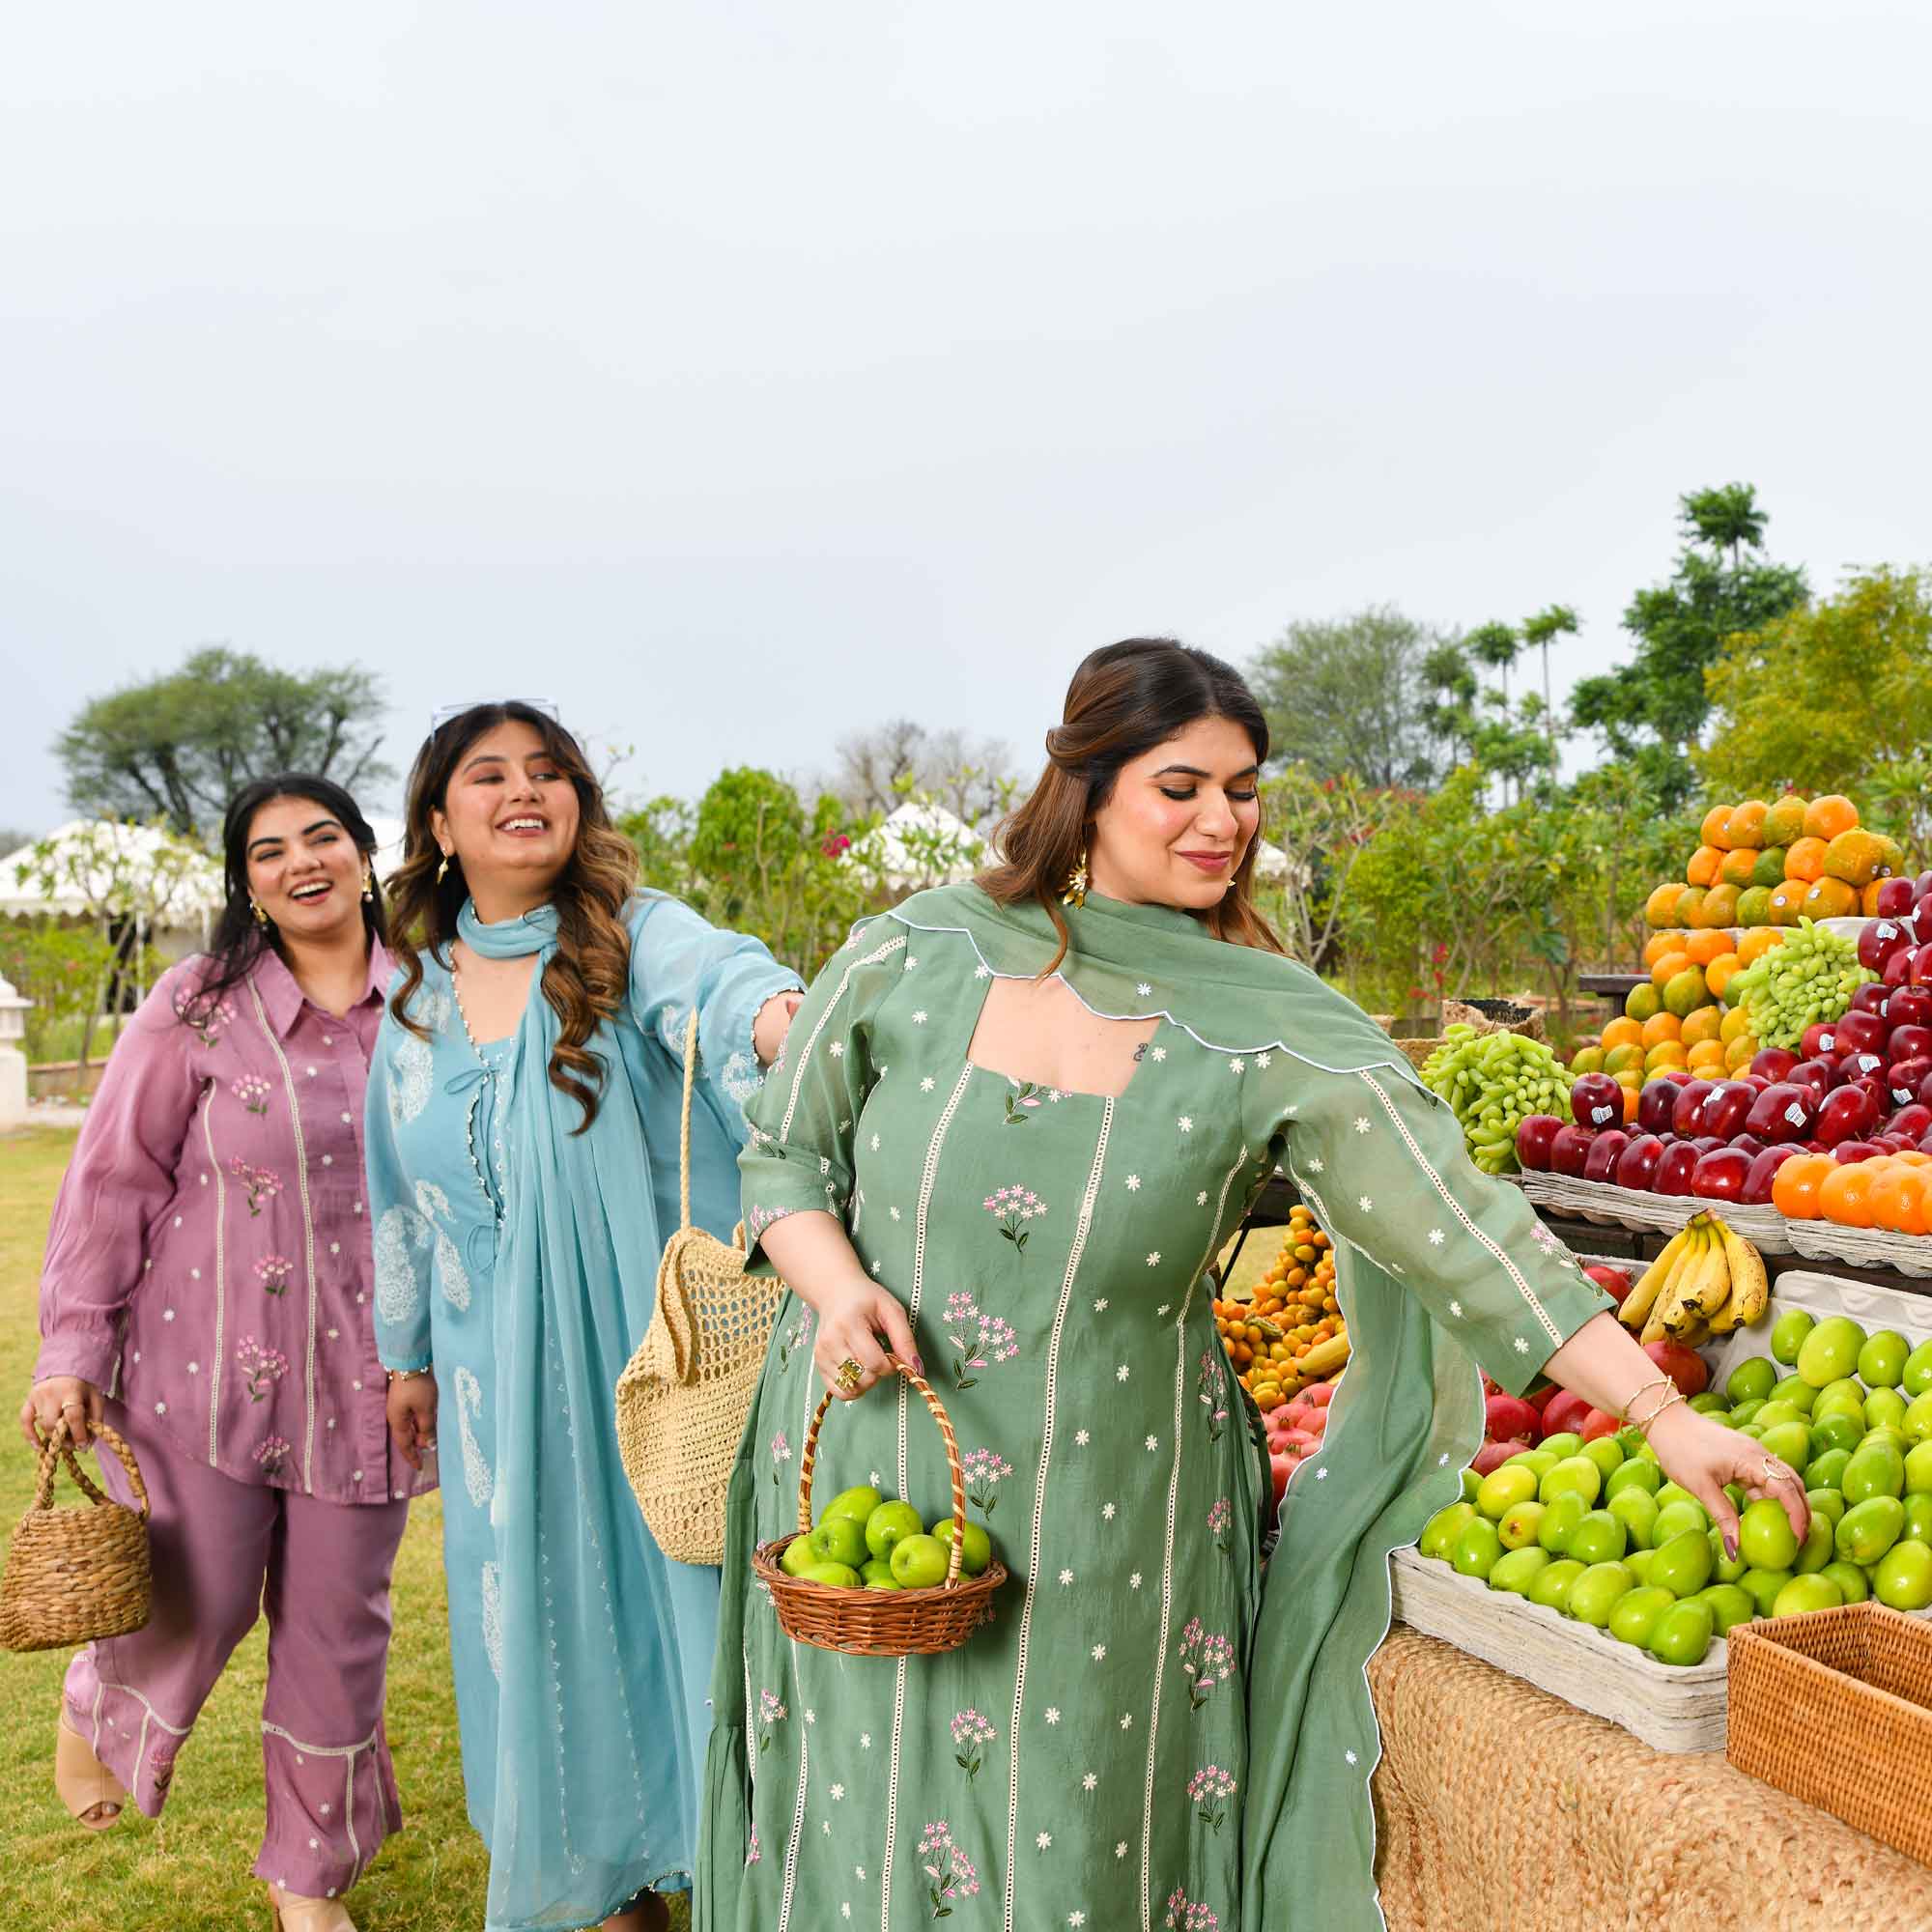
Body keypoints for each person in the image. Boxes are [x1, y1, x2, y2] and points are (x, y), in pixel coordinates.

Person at [696, 639, 1810, 1932]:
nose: (1224, 822)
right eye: (1183, 786)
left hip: (1112, 1514)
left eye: (1245, 787)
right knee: (861, 1819)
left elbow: (1463, 1227)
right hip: (861, 1472)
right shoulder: (920, 950)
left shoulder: (1273, 1022)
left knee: (1078, 1846)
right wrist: (834, 1287)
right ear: (1089, 785)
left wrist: (1664, 1417)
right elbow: (782, 1154)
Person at [366, 700, 803, 1932]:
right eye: (490, 774)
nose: (525, 789)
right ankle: (613, 1898)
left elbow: (725, 989)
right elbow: (394, 1193)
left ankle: (744, 1880)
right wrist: (406, 1359)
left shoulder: (634, 935)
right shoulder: (413, 1004)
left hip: (656, 1367)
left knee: (684, 1620)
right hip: (498, 1391)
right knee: (547, 1639)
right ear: (440, 823)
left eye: (549, 770)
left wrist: (786, 1023)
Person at [22, 775, 414, 1932]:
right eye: (267, 849)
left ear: (359, 852)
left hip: (374, 1382)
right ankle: (101, 1706)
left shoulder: (435, 1005)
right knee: (198, 1598)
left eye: (322, 836)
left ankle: (308, 1877)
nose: (300, 860)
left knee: (341, 1625)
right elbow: (113, 1178)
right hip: (200, 1371)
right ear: (243, 879)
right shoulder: (195, 1004)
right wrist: (72, 1347)